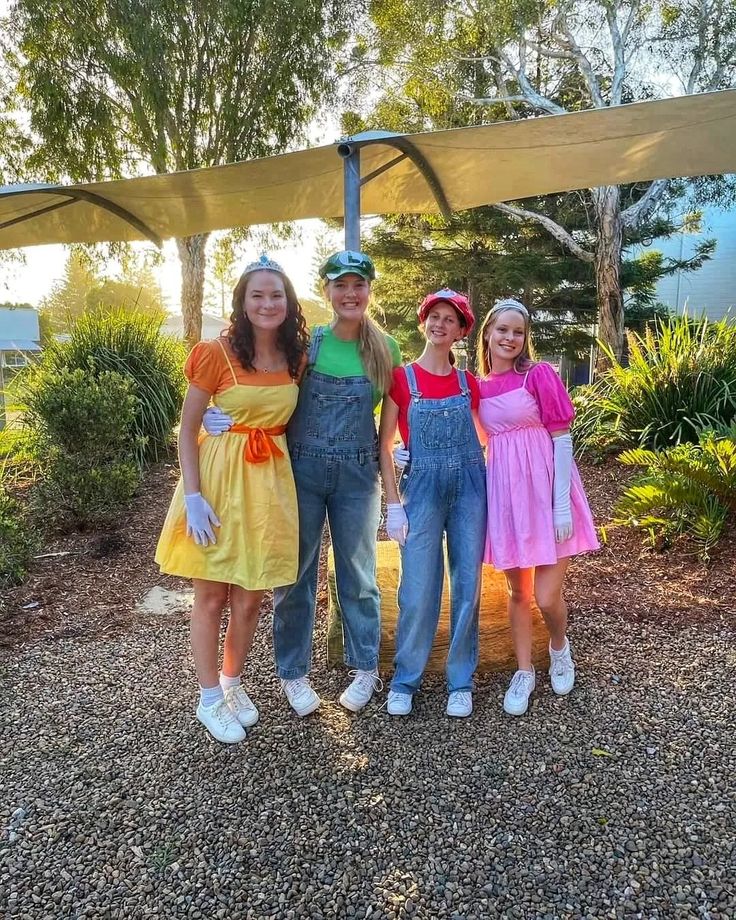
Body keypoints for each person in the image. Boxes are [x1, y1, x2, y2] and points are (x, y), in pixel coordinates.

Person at [203, 250, 401, 716]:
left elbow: (393, 421)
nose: (349, 293)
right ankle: (292, 673)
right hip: (300, 472)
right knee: (293, 577)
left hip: (358, 475)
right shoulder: (305, 346)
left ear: (369, 290)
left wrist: (400, 472)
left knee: (359, 574)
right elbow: (261, 385)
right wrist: (219, 414)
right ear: (326, 291)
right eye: (340, 285)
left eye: (358, 284)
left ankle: (365, 666)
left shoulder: (386, 349)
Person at [155, 255, 309, 743]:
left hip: (268, 486)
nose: (267, 303)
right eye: (257, 294)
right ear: (242, 301)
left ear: (288, 302)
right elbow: (185, 428)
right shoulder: (215, 353)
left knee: (251, 596)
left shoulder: (295, 356)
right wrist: (194, 496)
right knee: (211, 595)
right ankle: (207, 700)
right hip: (219, 484)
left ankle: (231, 682)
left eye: (276, 294)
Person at [477, 298, 599, 716]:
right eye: (503, 330)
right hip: (508, 499)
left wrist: (561, 504)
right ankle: (525, 671)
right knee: (518, 592)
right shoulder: (477, 387)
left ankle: (559, 649)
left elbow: (562, 438)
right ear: (488, 334)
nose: (510, 338)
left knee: (547, 597)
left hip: (548, 493)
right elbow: (473, 439)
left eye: (518, 331)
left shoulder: (539, 375)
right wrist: (410, 454)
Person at [379, 289, 487, 717]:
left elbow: (490, 436)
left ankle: (460, 680)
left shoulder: (469, 385)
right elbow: (383, 445)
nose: (440, 324)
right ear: (424, 322)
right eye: (434, 316)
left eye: (451, 319)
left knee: (467, 587)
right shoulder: (400, 380)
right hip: (420, 491)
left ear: (461, 331)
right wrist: (392, 502)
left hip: (469, 492)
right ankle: (406, 679)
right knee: (419, 589)